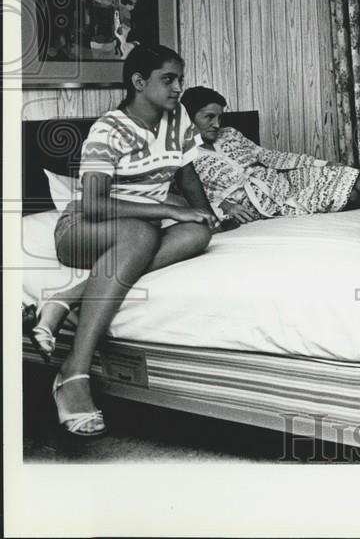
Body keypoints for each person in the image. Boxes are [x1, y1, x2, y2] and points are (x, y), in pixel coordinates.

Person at [29, 44, 219, 438]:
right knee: (140, 232)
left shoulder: (177, 118)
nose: (178, 88)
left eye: (180, 79)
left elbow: (185, 175)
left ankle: (68, 297)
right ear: (138, 82)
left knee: (196, 234)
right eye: (168, 79)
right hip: (81, 230)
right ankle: (73, 373)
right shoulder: (108, 129)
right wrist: (171, 210)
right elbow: (96, 205)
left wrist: (203, 215)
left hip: (133, 231)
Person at [181, 86, 360, 223]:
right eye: (209, 117)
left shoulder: (230, 134)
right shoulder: (183, 154)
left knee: (355, 176)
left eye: (220, 117)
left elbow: (269, 156)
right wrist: (223, 205)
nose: (217, 124)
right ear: (189, 117)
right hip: (264, 203)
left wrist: (320, 163)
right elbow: (181, 195)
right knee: (353, 196)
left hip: (282, 181)